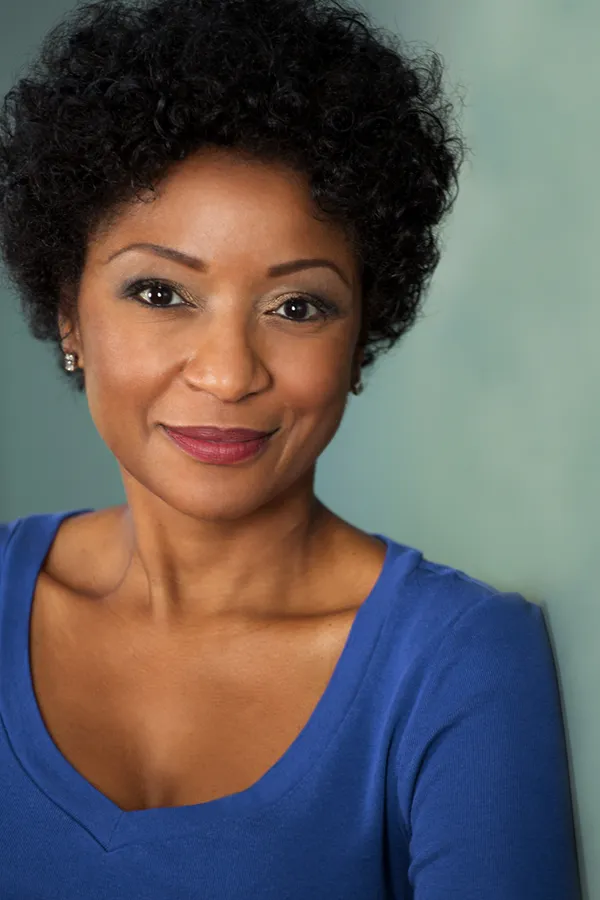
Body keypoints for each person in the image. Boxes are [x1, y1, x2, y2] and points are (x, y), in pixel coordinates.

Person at [0, 0, 580, 896]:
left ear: (361, 339)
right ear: (69, 311)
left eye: (297, 307)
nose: (229, 375)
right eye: (161, 293)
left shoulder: (456, 664)